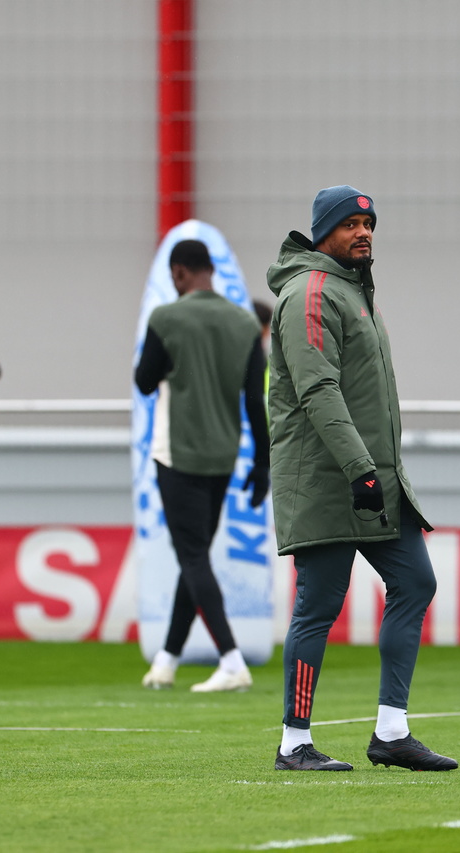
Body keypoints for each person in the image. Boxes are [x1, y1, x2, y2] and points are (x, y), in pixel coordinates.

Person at [267, 186, 456, 772]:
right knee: (318, 607)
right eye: (350, 223)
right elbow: (317, 389)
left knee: (415, 582)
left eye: (369, 223)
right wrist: (359, 468)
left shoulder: (352, 291)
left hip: (372, 478)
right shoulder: (310, 292)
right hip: (328, 480)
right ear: (323, 231)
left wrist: (376, 472)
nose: (364, 232)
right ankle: (294, 743)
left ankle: (391, 733)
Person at [134, 239, 271, 693]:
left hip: (178, 454)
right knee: (194, 559)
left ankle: (231, 660)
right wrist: (263, 463)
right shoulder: (245, 323)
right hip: (223, 456)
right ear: (210, 270)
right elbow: (254, 400)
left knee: (192, 557)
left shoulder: (167, 318)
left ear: (178, 273)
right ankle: (167, 660)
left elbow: (144, 381)